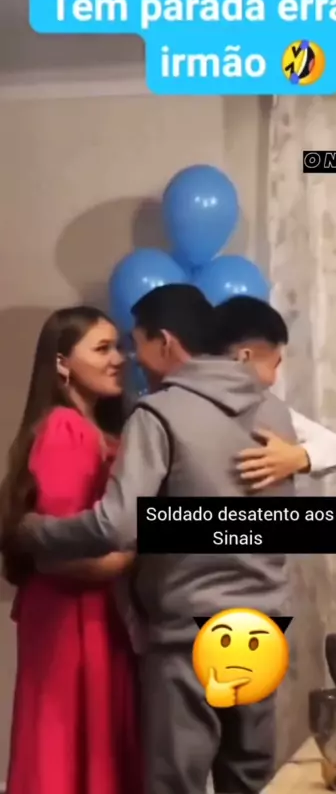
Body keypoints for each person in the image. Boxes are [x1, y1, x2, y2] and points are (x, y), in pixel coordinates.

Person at [16, 284, 299, 794]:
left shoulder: (159, 413)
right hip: (261, 625)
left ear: (165, 342)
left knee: (175, 784)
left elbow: (115, 525)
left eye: (136, 343)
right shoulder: (275, 412)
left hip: (190, 634)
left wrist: (36, 532)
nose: (131, 359)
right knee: (247, 780)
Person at [0, 306, 141, 794]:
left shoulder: (94, 429)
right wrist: (132, 556)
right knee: (69, 749)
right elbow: (65, 553)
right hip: (72, 618)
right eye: (102, 349)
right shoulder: (66, 430)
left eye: (119, 346)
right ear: (62, 363)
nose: (118, 358)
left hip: (93, 614)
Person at [209, 295, 336, 490]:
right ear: (245, 358)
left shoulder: (267, 407)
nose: (274, 379)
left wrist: (296, 457)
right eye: (274, 365)